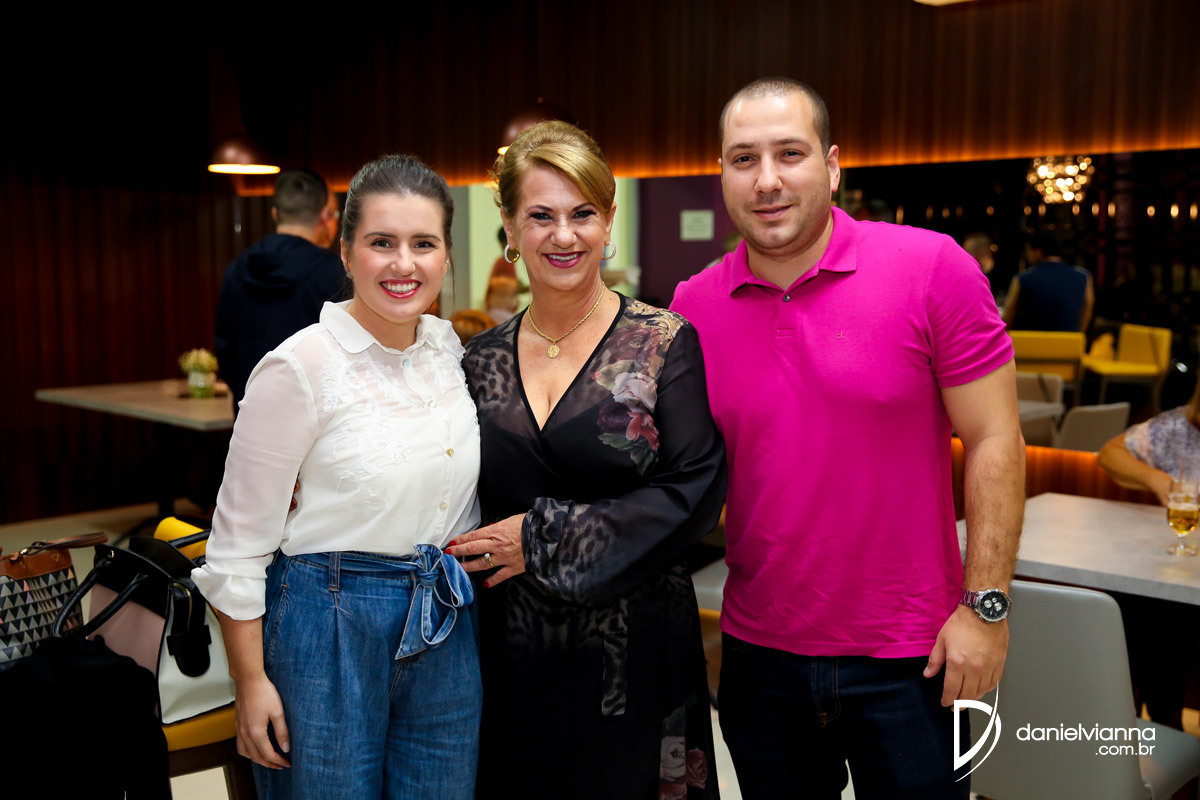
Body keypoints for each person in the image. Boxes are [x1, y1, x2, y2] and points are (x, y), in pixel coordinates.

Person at [670, 77, 1025, 799]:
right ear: (722, 175)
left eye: (789, 153)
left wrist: (985, 607)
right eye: (744, 159)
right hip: (759, 655)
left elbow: (995, 437)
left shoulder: (932, 269)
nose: (767, 180)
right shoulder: (692, 305)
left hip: (914, 656)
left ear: (832, 166)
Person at [445, 120, 727, 800]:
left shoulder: (662, 342)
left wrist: (542, 538)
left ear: (608, 221)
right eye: (541, 216)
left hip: (634, 654)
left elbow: (693, 492)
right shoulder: (477, 359)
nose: (564, 235)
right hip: (508, 651)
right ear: (510, 228)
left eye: (582, 214)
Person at [193, 155, 482, 799]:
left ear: (446, 256)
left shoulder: (447, 351)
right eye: (382, 242)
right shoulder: (299, 366)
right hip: (327, 621)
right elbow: (236, 546)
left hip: (444, 616)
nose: (404, 264)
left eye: (424, 243)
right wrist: (250, 681)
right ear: (345, 251)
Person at [1098, 379, 1200, 730]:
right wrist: (1158, 481)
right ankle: (1149, 723)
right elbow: (1110, 453)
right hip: (1174, 574)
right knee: (1145, 610)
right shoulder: (1177, 428)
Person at [214, 169, 345, 411]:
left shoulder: (237, 268)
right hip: (315, 416)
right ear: (325, 216)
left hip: (250, 410)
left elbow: (225, 348)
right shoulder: (336, 273)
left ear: (275, 213)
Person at [1001, 231, 1094, 332]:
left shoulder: (1022, 279)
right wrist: (1076, 334)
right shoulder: (1084, 277)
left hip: (1031, 340)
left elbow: (1008, 316)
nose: (1027, 255)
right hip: (1069, 340)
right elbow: (1087, 312)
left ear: (1038, 252)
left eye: (1028, 251)